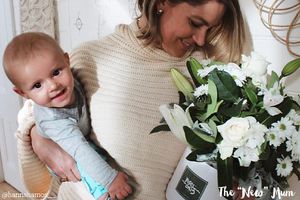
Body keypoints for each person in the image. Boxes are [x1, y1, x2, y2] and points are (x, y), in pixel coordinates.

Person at [16, 0, 251, 199]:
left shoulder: (208, 75)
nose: (201, 39)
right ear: (161, 3)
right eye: (195, 23)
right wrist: (37, 136)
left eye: (210, 27)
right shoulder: (90, 58)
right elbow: (41, 110)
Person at [3, 32, 132, 200]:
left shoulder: (76, 79)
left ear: (67, 60)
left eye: (56, 72)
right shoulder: (53, 119)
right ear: (22, 93)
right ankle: (102, 195)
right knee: (84, 163)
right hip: (64, 150)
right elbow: (81, 151)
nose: (53, 86)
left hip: (79, 139)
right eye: (37, 85)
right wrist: (111, 180)